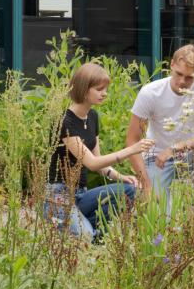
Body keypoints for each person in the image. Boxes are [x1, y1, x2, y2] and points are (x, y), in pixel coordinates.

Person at [45, 62, 153, 242]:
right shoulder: (65, 121)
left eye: (105, 89)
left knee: (128, 190)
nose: (105, 93)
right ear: (83, 89)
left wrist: (120, 176)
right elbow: (91, 163)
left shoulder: (93, 116)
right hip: (58, 196)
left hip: (81, 194)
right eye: (99, 89)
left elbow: (99, 162)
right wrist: (131, 150)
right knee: (86, 237)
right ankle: (75, 228)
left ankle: (83, 228)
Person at [126, 44, 194, 206]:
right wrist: (146, 185)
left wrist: (175, 148)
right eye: (179, 74)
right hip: (157, 157)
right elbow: (132, 140)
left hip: (191, 153)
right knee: (159, 214)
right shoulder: (151, 93)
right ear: (171, 64)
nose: (182, 81)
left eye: (189, 77)